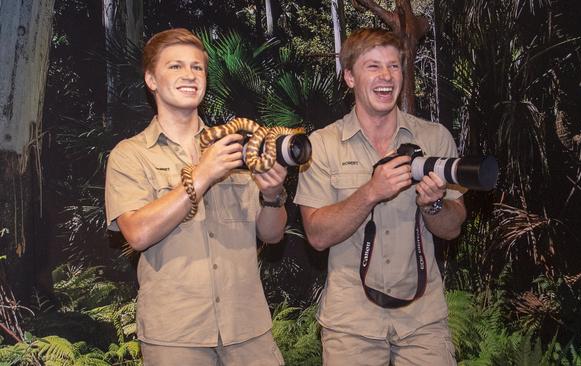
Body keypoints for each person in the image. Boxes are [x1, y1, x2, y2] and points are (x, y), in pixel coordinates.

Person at [104, 28, 286, 365]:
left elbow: (272, 234)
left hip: (248, 330)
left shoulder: (235, 147)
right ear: (151, 79)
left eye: (197, 68)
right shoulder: (130, 155)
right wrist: (202, 174)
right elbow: (138, 233)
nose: (189, 75)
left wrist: (273, 196)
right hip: (176, 338)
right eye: (175, 66)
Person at [294, 28, 467, 365]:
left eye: (394, 66)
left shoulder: (434, 138)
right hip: (351, 325)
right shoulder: (323, 145)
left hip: (423, 321)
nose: (386, 76)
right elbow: (316, 235)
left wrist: (432, 204)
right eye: (372, 66)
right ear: (349, 77)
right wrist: (371, 192)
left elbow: (452, 227)